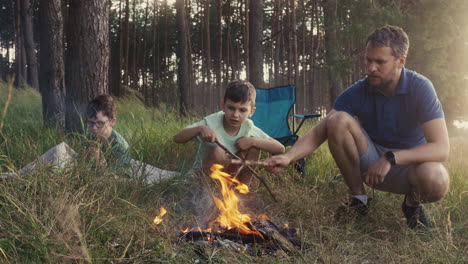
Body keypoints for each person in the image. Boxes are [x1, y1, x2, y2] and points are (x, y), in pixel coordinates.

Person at [267, 25, 449, 230]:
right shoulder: (359, 90)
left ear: (401, 61)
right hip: (369, 164)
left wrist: (391, 158)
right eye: (368, 60)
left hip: (409, 169)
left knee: (437, 179)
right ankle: (358, 200)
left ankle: (411, 206)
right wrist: (289, 157)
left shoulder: (420, 87)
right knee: (336, 120)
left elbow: (441, 148)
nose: (371, 68)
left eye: (380, 62)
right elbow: (319, 131)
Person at [1, 94, 178, 183]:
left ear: (112, 122)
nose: (93, 128)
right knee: (60, 148)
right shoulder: (89, 133)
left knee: (59, 163)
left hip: (102, 177)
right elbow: (82, 160)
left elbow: (114, 181)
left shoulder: (119, 146)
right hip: (83, 171)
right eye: (90, 123)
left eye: (99, 124)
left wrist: (98, 161)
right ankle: (16, 176)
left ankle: (24, 179)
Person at [174, 80, 285, 185]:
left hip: (232, 177)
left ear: (251, 112)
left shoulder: (248, 128)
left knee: (254, 149)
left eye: (242, 110)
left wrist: (253, 141)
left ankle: (241, 192)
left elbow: (280, 148)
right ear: (223, 106)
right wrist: (200, 129)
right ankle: (209, 194)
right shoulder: (212, 123)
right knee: (218, 151)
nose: (235, 115)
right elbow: (177, 138)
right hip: (203, 176)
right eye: (231, 108)